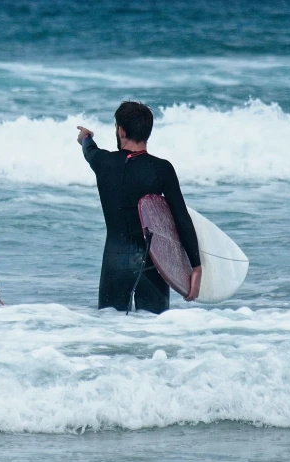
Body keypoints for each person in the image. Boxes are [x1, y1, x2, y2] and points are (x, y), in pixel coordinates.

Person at [76, 101, 201, 313]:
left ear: (121, 130)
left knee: (109, 331)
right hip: (153, 265)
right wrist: (195, 266)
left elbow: (89, 150)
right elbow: (181, 218)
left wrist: (86, 137)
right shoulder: (162, 169)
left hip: (114, 262)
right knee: (152, 332)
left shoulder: (103, 162)